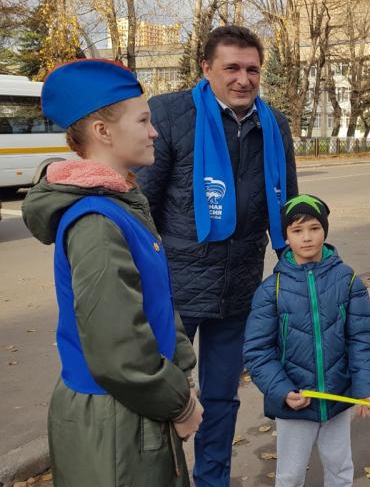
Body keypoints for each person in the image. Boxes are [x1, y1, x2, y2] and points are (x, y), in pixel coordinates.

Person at [22, 59, 203, 486]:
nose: (154, 131)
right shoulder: (98, 222)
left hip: (132, 410)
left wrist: (181, 378)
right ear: (103, 132)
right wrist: (179, 403)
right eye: (143, 120)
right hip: (117, 420)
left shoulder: (120, 206)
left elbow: (156, 303)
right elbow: (118, 349)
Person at [137, 25, 298, 486]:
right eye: (231, 67)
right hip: (173, 294)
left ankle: (213, 481)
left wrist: (299, 266)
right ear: (206, 68)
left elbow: (287, 205)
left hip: (239, 289)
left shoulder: (275, 124)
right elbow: (143, 207)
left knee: (223, 398)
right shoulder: (169, 115)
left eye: (252, 69)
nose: (243, 79)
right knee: (162, 397)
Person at [243, 194, 370, 487]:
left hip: (337, 398)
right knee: (290, 476)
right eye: (297, 230)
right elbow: (257, 352)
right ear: (286, 237)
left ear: (325, 230)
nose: (307, 238)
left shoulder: (348, 280)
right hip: (295, 403)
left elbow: (362, 339)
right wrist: (281, 391)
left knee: (340, 470)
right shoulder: (272, 289)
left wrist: (367, 386)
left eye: (314, 228)